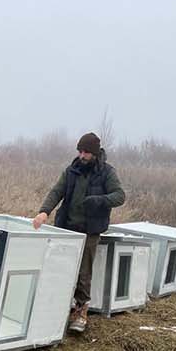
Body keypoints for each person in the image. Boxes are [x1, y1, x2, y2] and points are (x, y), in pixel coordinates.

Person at [33, 132, 125, 333]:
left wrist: (100, 200)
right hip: (66, 227)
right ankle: (56, 307)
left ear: (95, 153)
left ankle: (81, 311)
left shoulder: (107, 172)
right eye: (80, 151)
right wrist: (44, 212)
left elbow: (120, 196)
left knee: (84, 273)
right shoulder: (71, 170)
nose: (82, 156)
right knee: (60, 267)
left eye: (86, 152)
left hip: (90, 231)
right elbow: (56, 192)